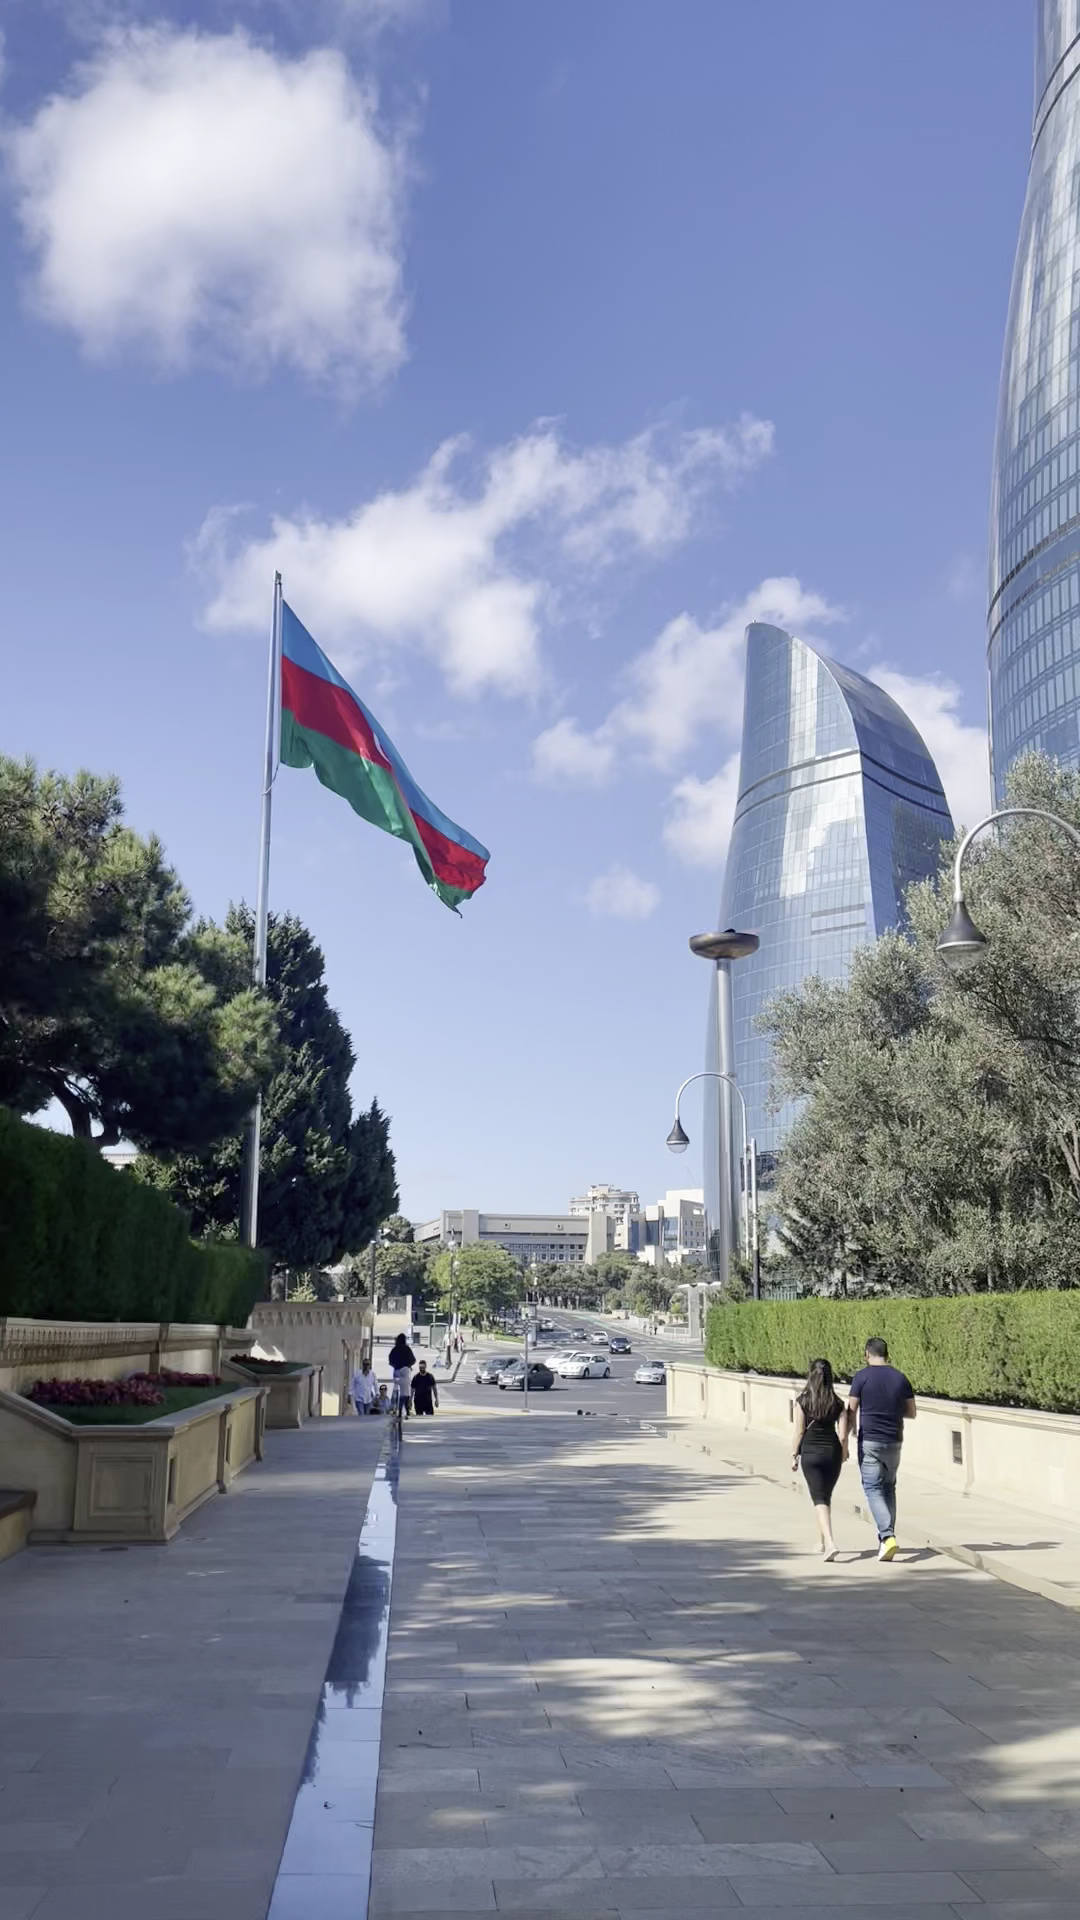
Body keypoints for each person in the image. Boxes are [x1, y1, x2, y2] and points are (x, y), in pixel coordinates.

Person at [846, 1337, 916, 1562]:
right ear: (886, 1353)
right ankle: (886, 1541)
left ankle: (887, 1536)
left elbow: (851, 1409)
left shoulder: (861, 1377)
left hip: (870, 1440)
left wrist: (846, 1435)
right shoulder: (900, 1378)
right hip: (894, 1439)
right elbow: (911, 1412)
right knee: (888, 1487)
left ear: (867, 1353)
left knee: (872, 1488)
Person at [791, 1358, 848, 1561]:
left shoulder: (803, 1401)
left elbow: (799, 1431)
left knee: (818, 1497)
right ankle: (820, 1541)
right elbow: (843, 1435)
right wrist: (844, 1453)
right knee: (824, 1496)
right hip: (832, 1453)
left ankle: (830, 1542)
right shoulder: (838, 1403)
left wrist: (793, 1455)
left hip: (811, 1454)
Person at [388, 1331, 416, 1417]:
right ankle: (406, 1409)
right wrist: (408, 1365)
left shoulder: (395, 1349)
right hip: (406, 1370)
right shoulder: (407, 1349)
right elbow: (413, 1360)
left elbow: (390, 1360)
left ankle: (395, 1407)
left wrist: (395, 1365)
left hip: (397, 1370)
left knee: (396, 1388)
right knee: (405, 1391)